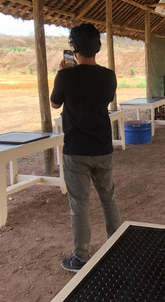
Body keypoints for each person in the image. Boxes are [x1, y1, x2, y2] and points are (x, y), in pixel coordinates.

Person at [50, 23, 122, 272]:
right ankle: (118, 247)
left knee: (79, 205)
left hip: (76, 150)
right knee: (108, 199)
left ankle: (81, 257)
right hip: (102, 147)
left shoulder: (65, 76)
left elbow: (54, 104)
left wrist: (63, 73)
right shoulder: (109, 75)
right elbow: (106, 99)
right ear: (97, 47)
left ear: (74, 47)